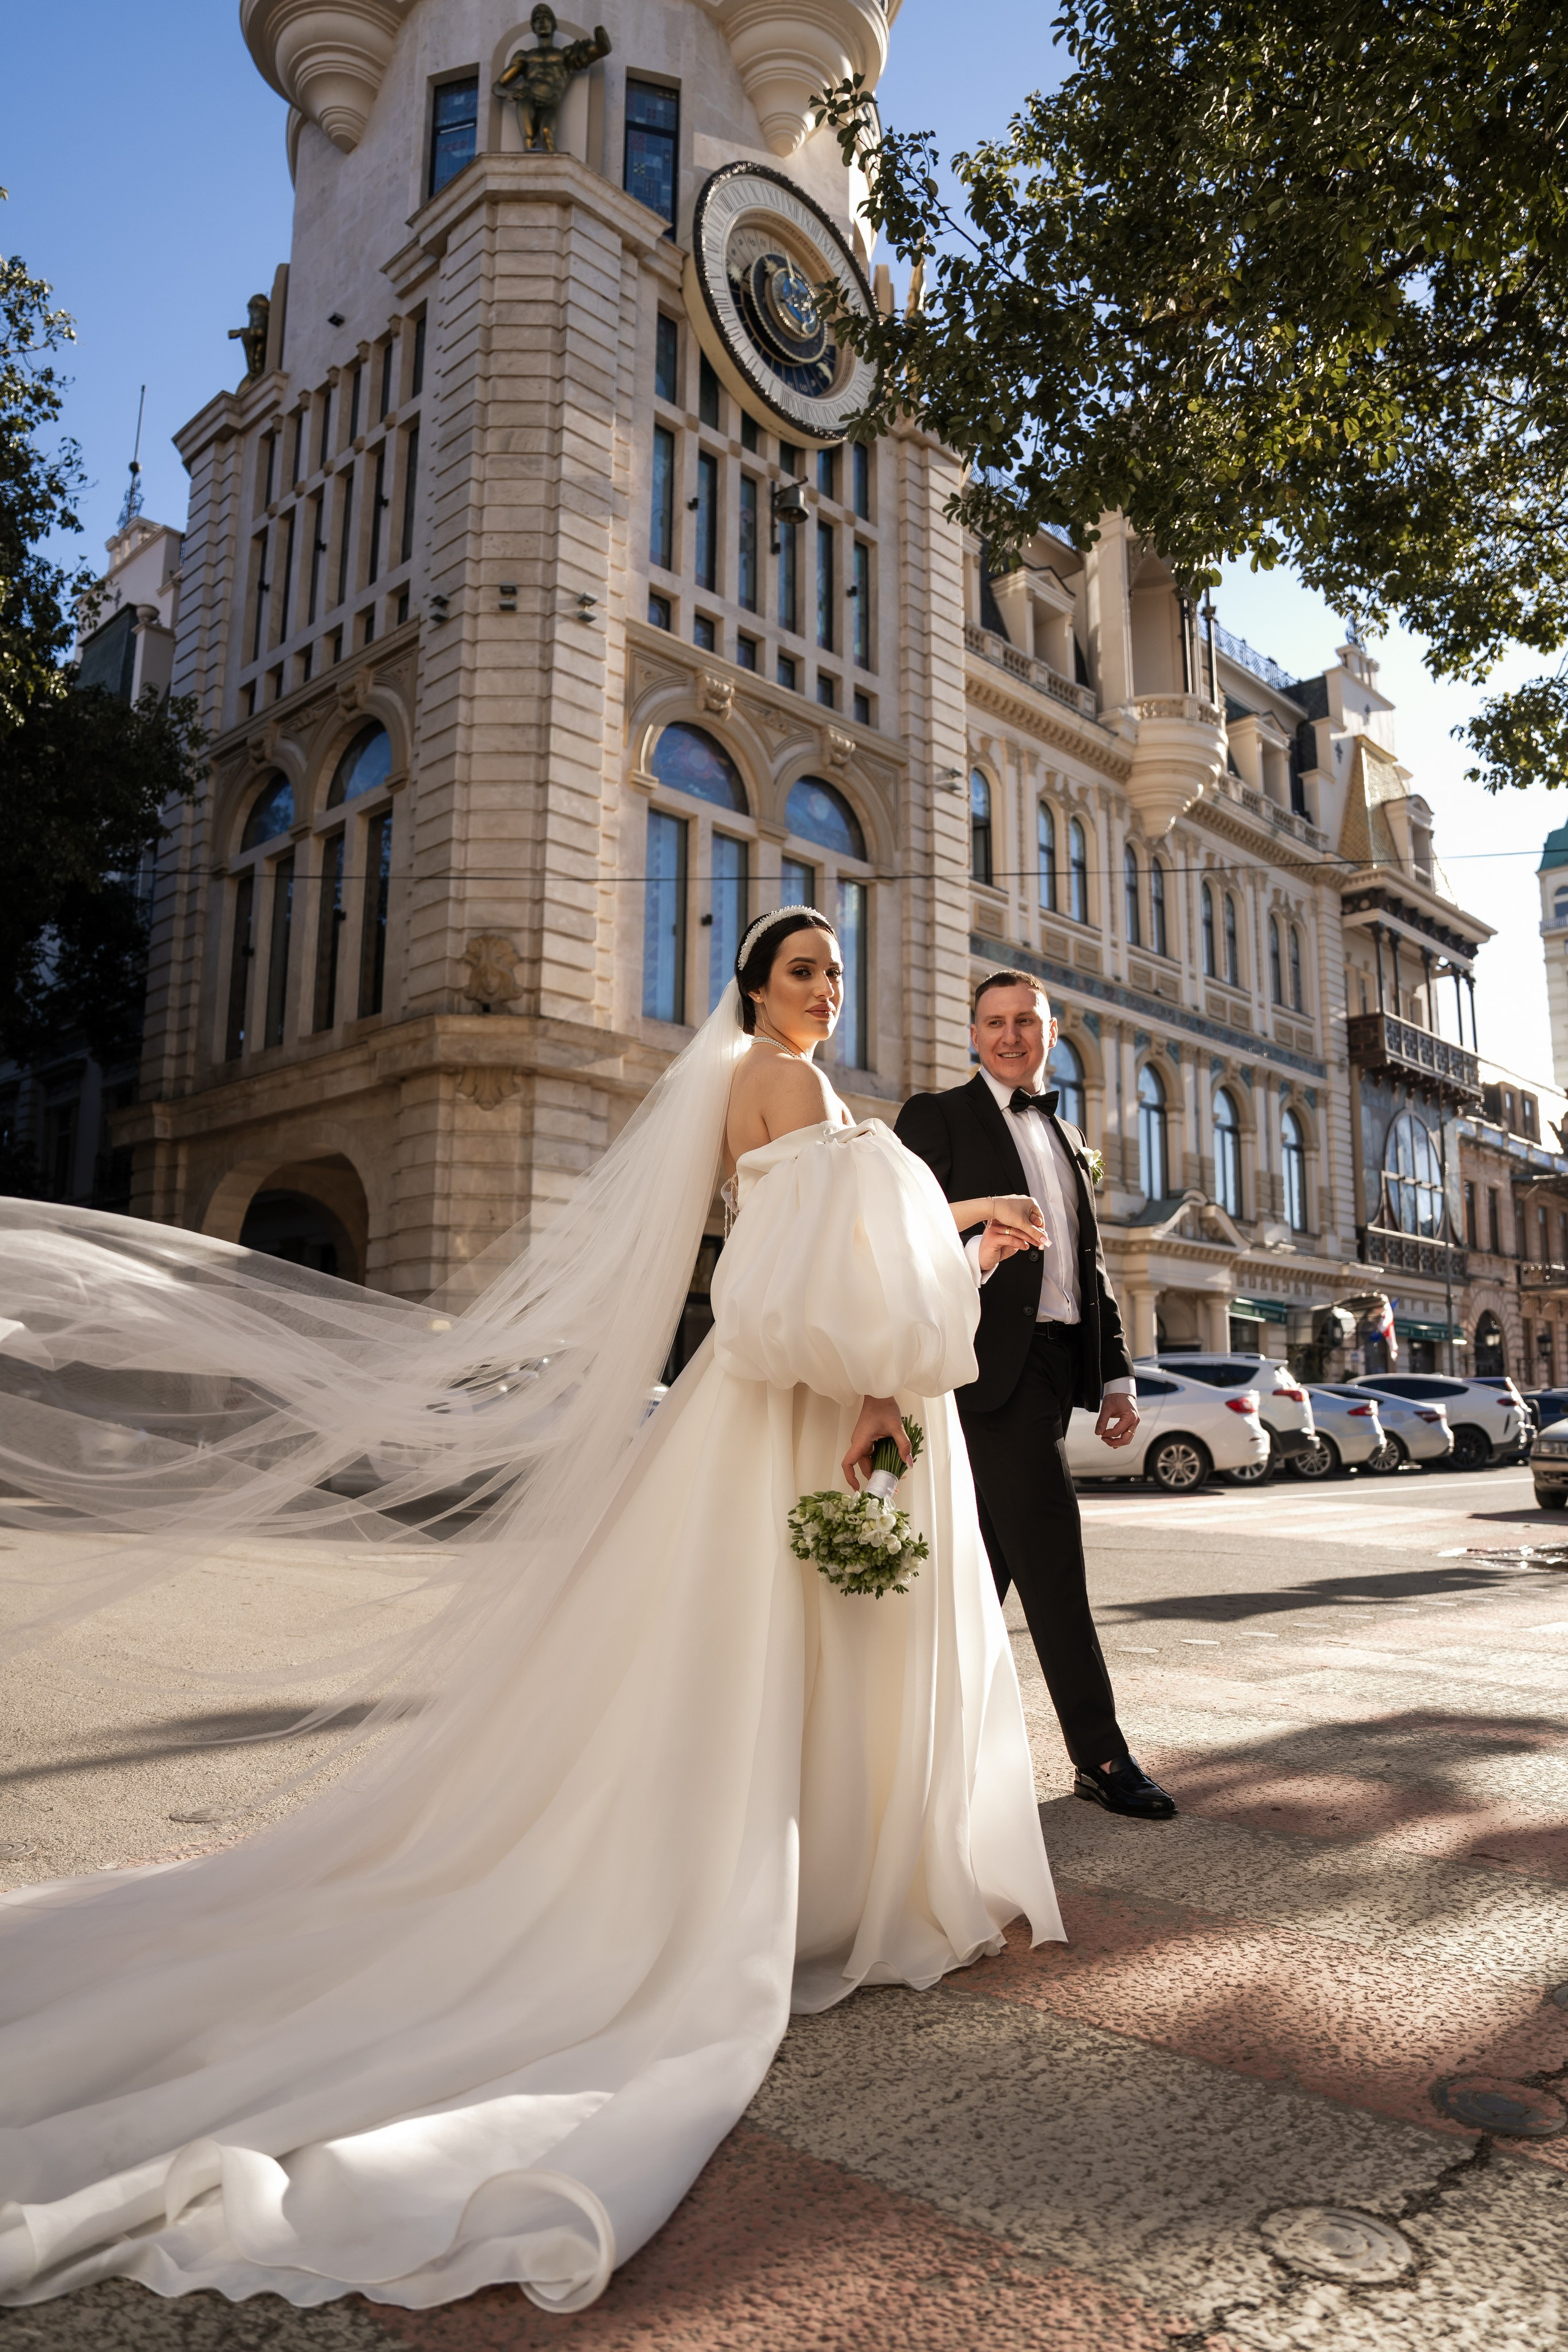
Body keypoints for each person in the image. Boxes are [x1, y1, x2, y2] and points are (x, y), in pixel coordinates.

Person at [0, 910, 1061, 2316]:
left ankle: (823, 1882)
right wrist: (883, 1377)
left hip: (777, 1411)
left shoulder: (774, 1091)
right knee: (782, 1651)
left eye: (833, 971)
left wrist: (960, 1236)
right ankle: (823, 1891)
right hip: (818, 1417)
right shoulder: (788, 1081)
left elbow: (814, 1258)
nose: (825, 989)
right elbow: (795, 1291)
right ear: (754, 987)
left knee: (735, 1658)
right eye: (801, 970)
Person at [895, 971, 1177, 1821]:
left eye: (1026, 1021)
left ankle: (918, 1751)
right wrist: (984, 1225)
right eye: (994, 1022)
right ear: (972, 1034)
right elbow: (910, 1226)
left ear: (1049, 1031)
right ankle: (1101, 1755)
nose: (1010, 1035)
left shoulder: (1062, 1130)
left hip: (1056, 1369)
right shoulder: (935, 1116)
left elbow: (1087, 1268)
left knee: (983, 1572)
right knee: (1052, 1557)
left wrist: (1117, 1374)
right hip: (985, 1368)